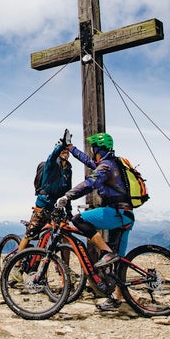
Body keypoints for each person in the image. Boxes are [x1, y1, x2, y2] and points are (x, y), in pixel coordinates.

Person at [55, 131, 135, 312]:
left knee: (78, 219)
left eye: (93, 148)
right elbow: (89, 162)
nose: (91, 151)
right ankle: (117, 299)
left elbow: (90, 182)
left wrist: (68, 196)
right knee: (119, 262)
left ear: (98, 148)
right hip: (126, 216)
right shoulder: (111, 163)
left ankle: (106, 252)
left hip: (116, 213)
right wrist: (71, 148)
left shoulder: (106, 167)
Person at [16, 132, 73, 253]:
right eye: (62, 150)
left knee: (63, 235)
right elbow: (51, 157)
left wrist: (69, 210)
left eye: (67, 150)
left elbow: (68, 191)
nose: (65, 152)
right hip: (43, 204)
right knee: (30, 233)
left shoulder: (68, 170)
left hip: (57, 206)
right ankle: (16, 264)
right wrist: (61, 144)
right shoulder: (51, 165)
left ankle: (64, 268)